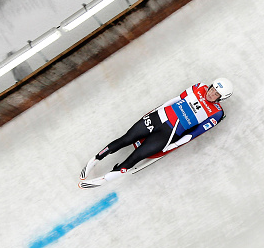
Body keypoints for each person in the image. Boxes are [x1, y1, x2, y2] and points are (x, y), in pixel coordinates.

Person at [79, 78, 233, 189]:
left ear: (221, 98)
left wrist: (174, 144)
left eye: (216, 94)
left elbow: (195, 133)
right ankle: (95, 160)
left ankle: (105, 179)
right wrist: (155, 111)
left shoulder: (216, 114)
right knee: (126, 138)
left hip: (169, 133)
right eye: (212, 89)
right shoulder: (199, 87)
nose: (211, 93)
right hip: (158, 117)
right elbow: (175, 100)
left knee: (137, 156)